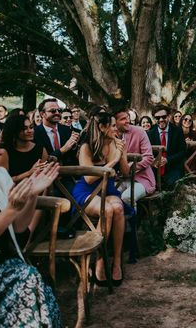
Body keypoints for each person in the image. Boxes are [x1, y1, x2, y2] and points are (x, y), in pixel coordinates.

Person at [0, 122, 62, 327]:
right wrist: (11, 210)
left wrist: (32, 195)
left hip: (10, 265)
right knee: (29, 279)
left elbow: (19, 228)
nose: (1, 151)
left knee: (31, 282)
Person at [73, 112, 129, 286]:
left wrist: (123, 153)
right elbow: (89, 178)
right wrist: (113, 161)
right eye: (112, 125)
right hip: (87, 191)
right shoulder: (86, 147)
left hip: (108, 189)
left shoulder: (115, 144)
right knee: (108, 210)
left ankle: (116, 261)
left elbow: (126, 173)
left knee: (118, 208)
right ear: (102, 127)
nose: (116, 128)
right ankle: (99, 260)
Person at [113, 108, 155, 204]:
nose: (127, 121)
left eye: (127, 117)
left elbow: (148, 157)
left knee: (127, 197)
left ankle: (133, 219)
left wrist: (129, 168)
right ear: (114, 122)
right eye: (123, 119)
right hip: (118, 179)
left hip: (141, 179)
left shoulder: (139, 131)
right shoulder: (110, 135)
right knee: (109, 197)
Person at [0, 114, 49, 183]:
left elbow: (44, 178)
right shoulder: (4, 151)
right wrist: (29, 173)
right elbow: (3, 181)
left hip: (35, 190)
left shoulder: (40, 149)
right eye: (25, 128)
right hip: (10, 191)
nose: (30, 131)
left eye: (31, 127)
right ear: (15, 130)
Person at [146, 106, 187, 188]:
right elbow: (147, 153)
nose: (161, 120)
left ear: (168, 116)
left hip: (173, 168)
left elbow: (183, 152)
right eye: (158, 118)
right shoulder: (150, 134)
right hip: (155, 169)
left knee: (172, 187)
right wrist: (153, 161)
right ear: (154, 119)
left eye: (163, 117)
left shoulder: (177, 131)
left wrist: (167, 160)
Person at [33, 98, 79, 165]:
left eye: (59, 110)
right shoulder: (34, 133)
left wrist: (75, 145)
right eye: (53, 111)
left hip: (69, 172)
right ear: (42, 114)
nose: (57, 113)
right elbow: (40, 159)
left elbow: (73, 156)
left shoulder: (67, 130)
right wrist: (63, 150)